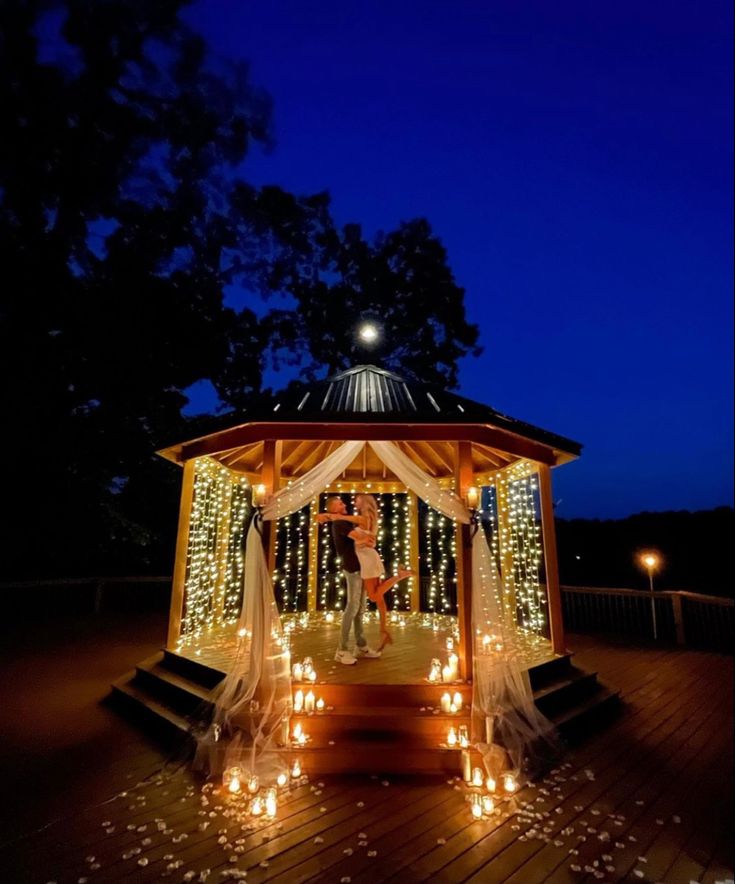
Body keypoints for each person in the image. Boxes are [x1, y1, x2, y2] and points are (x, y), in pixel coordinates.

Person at [319, 494, 416, 651]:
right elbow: (361, 537)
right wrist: (363, 538)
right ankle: (355, 644)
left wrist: (329, 515)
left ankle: (400, 576)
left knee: (370, 598)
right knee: (368, 600)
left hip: (365, 561)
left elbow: (363, 534)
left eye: (355, 500)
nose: (349, 503)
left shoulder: (363, 517)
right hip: (361, 563)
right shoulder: (344, 522)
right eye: (340, 503)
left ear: (363, 503)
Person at [318, 496, 381, 665]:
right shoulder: (339, 524)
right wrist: (365, 539)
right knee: (352, 607)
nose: (344, 504)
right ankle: (342, 650)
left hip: (360, 568)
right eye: (340, 503)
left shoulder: (342, 521)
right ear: (333, 508)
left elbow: (362, 530)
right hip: (352, 569)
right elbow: (358, 538)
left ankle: (361, 646)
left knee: (360, 609)